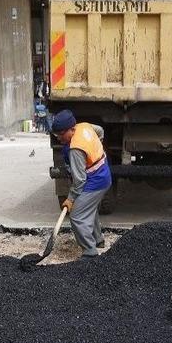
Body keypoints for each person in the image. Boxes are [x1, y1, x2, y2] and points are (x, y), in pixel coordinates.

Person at [50, 110, 112, 259]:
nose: (58, 137)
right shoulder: (84, 126)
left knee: (77, 216)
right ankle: (98, 240)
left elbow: (79, 181)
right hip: (103, 173)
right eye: (56, 134)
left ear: (72, 129)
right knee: (90, 208)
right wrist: (98, 144)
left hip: (95, 181)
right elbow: (100, 130)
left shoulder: (76, 149)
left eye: (61, 134)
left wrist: (70, 199)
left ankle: (90, 252)